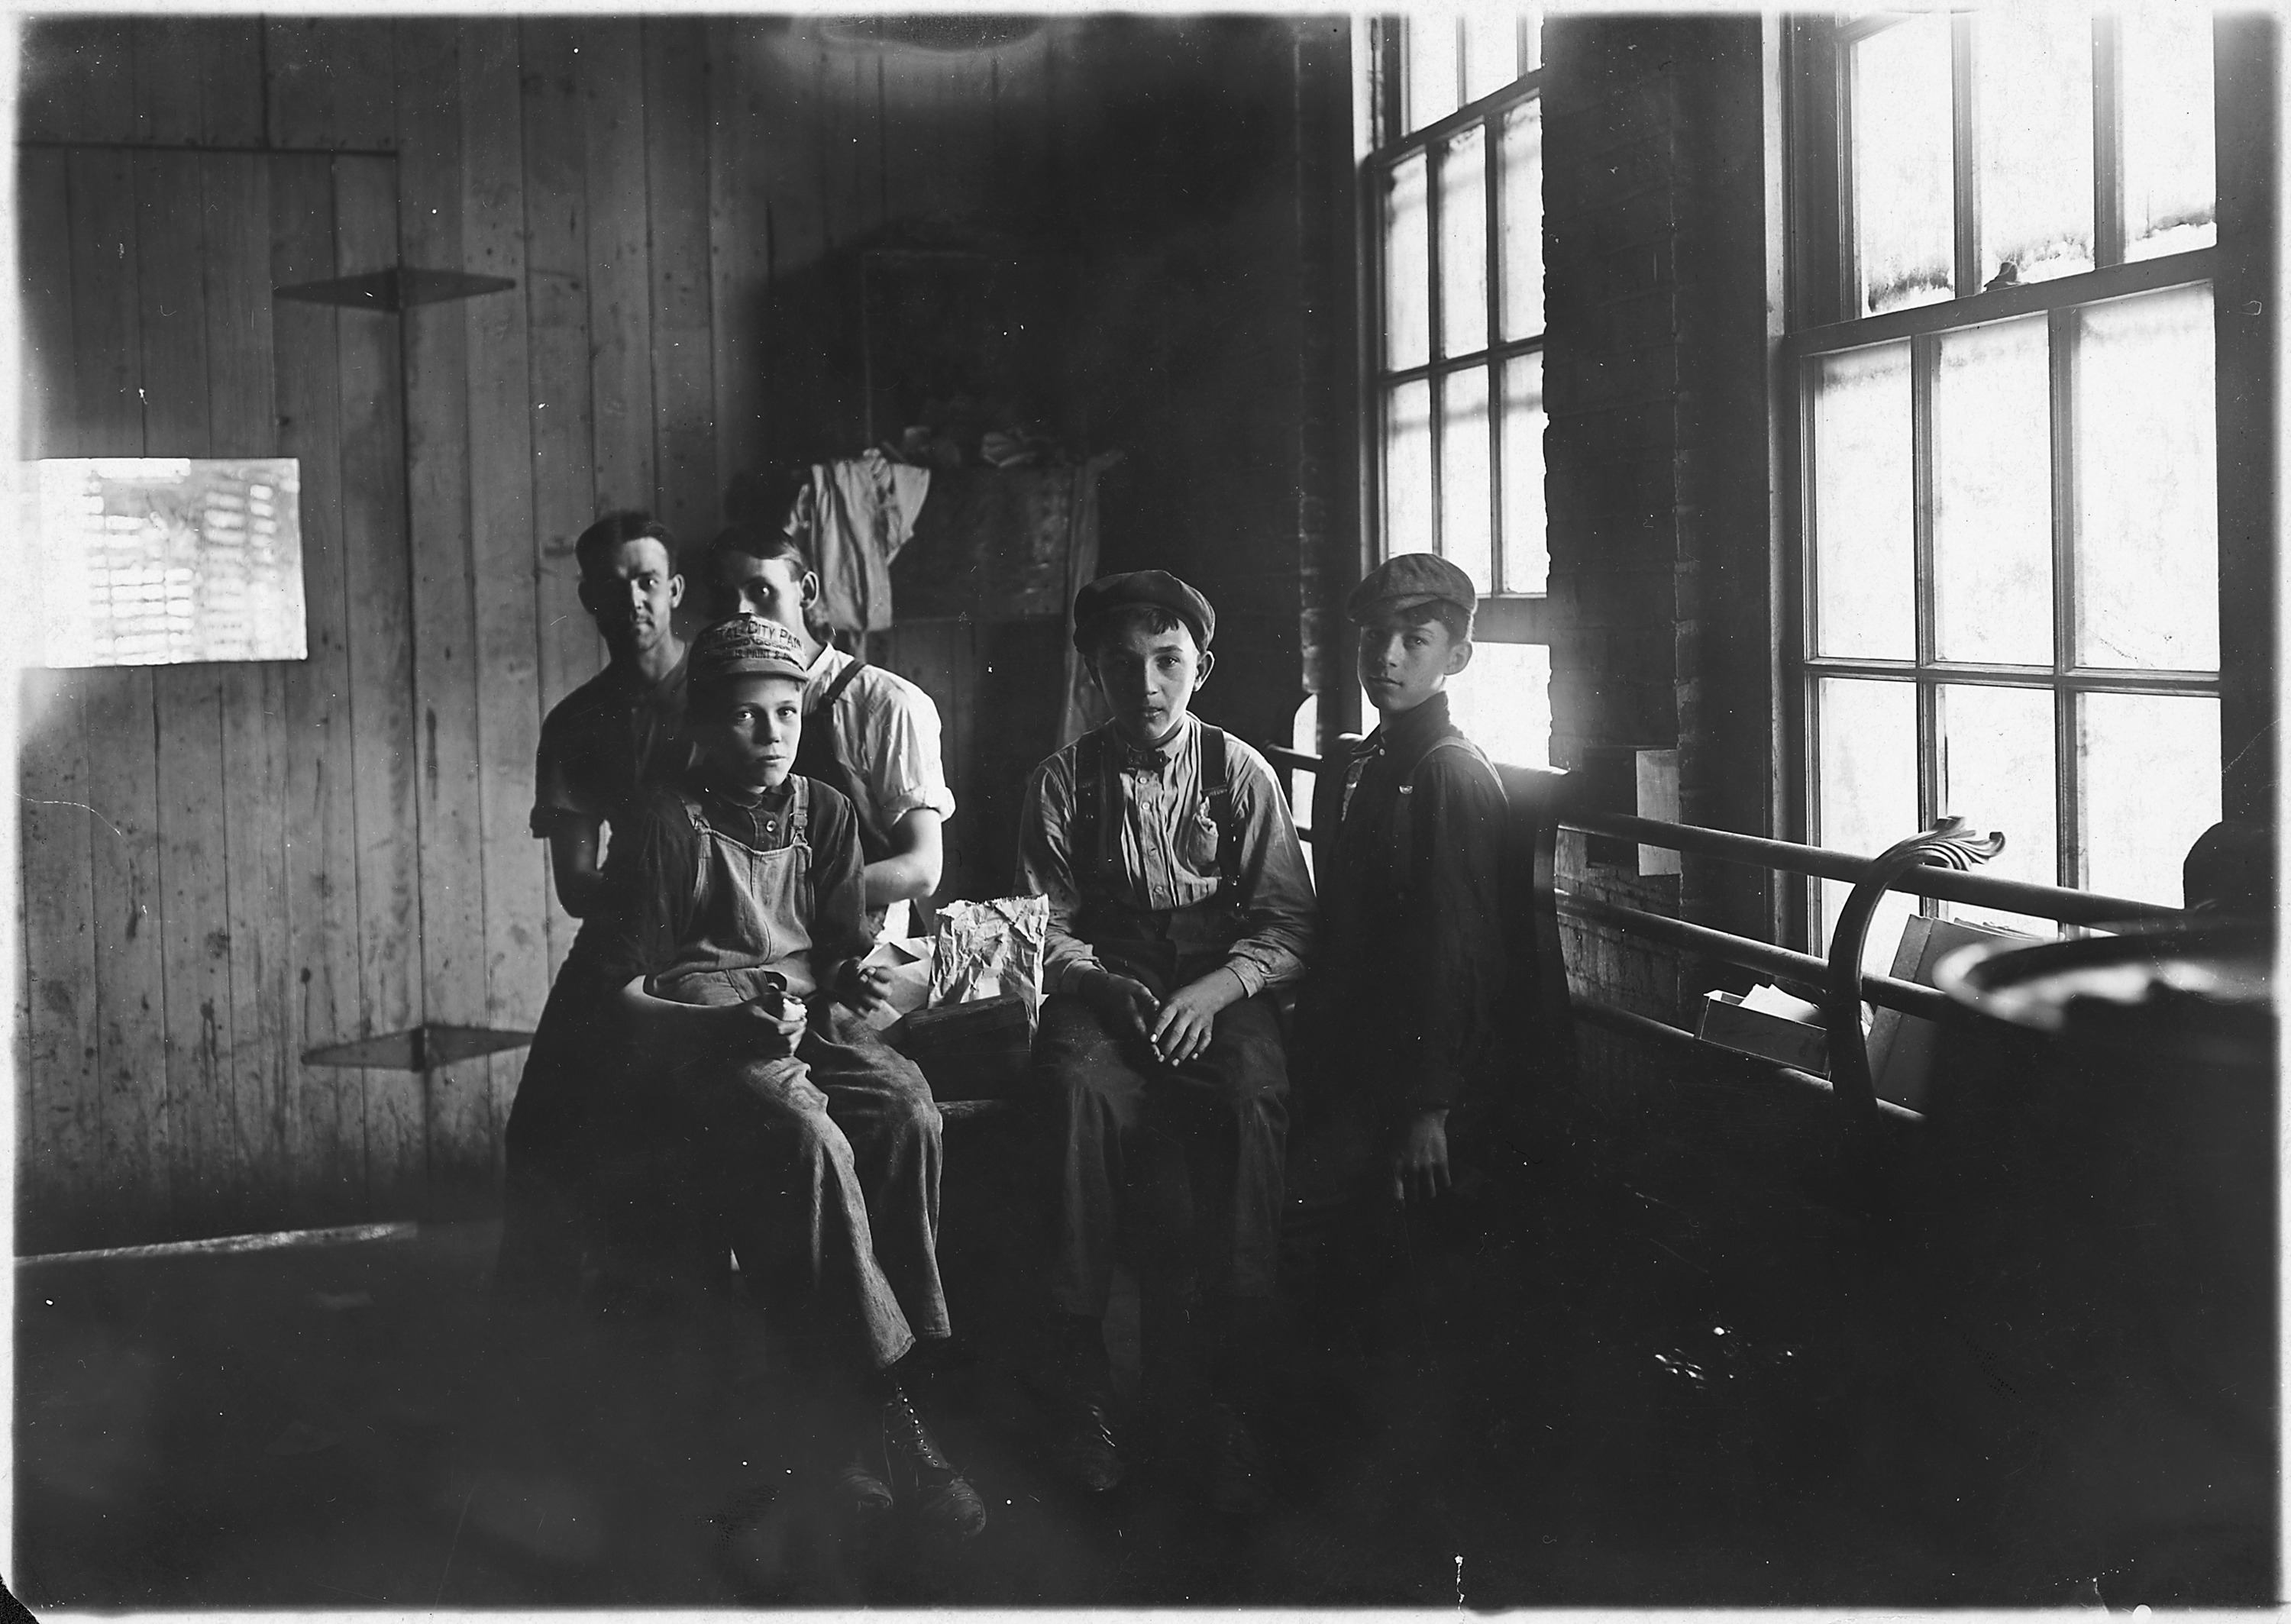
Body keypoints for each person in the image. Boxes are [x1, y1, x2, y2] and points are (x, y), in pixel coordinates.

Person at [501, 615, 985, 1538]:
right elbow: (623, 996)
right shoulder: (662, 820)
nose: (771, 736)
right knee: (805, 1134)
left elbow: (839, 952)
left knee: (905, 1107)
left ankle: (877, 1378)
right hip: (703, 1024)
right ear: (701, 727)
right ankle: (887, 1415)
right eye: (745, 719)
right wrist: (729, 1019)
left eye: (787, 714)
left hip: (809, 1009)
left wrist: (862, 974)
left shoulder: (829, 811)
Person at [1016, 570, 1314, 1513]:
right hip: (1110, 989)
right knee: (1073, 1095)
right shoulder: (1062, 783)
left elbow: (1290, 927)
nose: (1146, 685)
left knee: (1251, 1100)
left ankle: (1234, 1404)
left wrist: (1220, 989)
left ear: (1202, 668)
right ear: (1093, 672)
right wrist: (1100, 985)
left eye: (1167, 662)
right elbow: (1041, 930)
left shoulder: (1243, 775)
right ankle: (1083, 1391)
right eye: (1122, 665)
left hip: (1220, 987)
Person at [1286, 554, 1509, 1331]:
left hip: (1416, 1078)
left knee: (1301, 1218)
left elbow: (1458, 955)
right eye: (1375, 638)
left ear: (1457, 658)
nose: (1386, 658)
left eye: (1414, 641)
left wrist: (1429, 1107)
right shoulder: (1360, 759)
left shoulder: (1447, 774)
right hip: (1349, 1052)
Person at [705, 524, 953, 939]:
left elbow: (921, 869)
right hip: (756, 942)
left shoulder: (886, 703)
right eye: (727, 597)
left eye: (761, 591)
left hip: (868, 949)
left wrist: (781, 896)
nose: (743, 613)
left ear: (806, 591)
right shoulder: (715, 708)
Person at [531, 512, 691, 918]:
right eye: (613, 585)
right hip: (636, 922)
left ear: (674, 590)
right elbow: (576, 885)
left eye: (648, 582)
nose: (633, 600)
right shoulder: (575, 723)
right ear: (589, 599)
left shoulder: (727, 689)